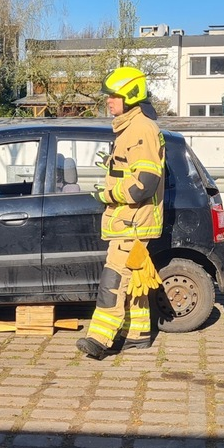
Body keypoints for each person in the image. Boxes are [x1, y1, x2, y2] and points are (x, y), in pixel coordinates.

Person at [76, 66, 165, 360]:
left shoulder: (141, 130)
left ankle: (99, 339)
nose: (108, 101)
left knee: (113, 281)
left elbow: (144, 184)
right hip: (130, 222)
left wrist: (108, 194)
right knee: (136, 279)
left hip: (134, 222)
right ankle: (139, 335)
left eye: (114, 96)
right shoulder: (132, 128)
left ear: (131, 96)